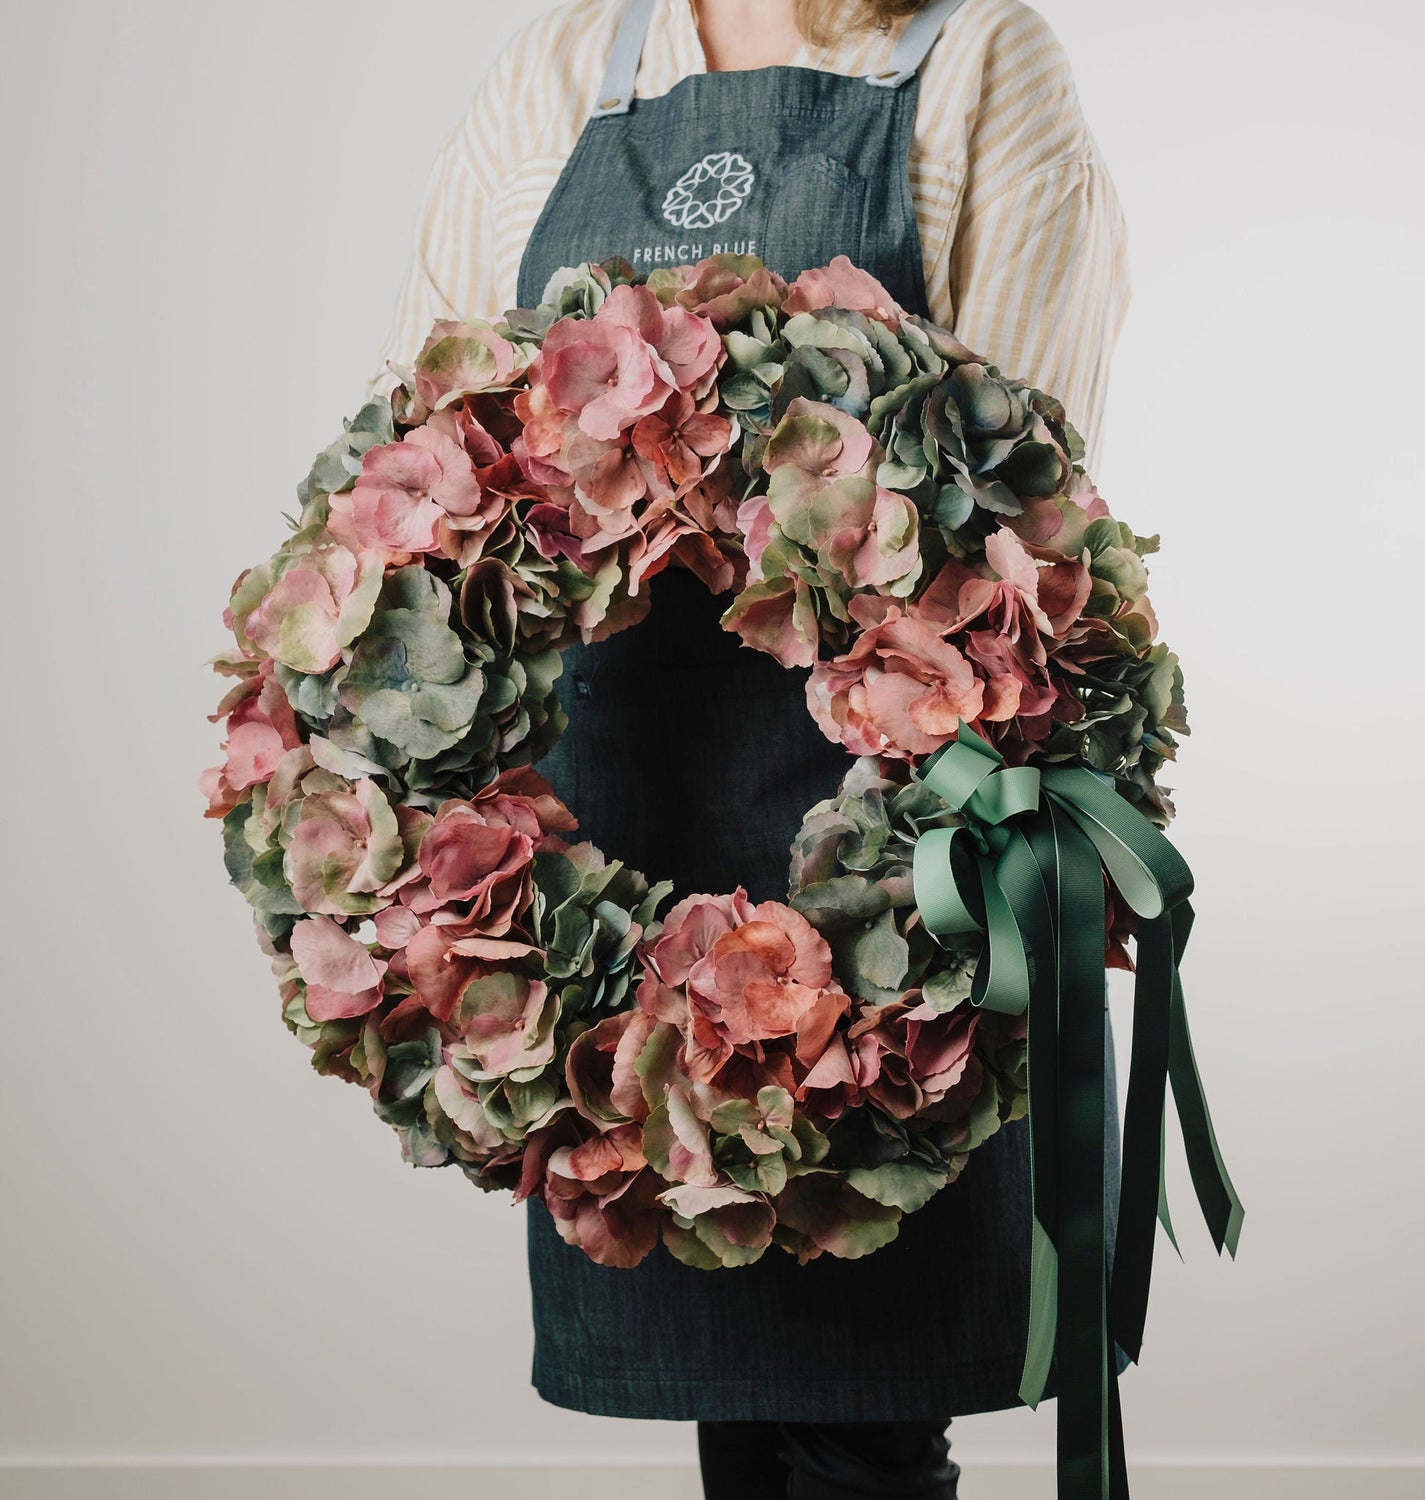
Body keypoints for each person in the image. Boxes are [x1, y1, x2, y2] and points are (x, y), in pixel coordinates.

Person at [365, 2, 1132, 1495]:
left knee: (862, 1418)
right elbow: (434, 454)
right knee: (744, 1395)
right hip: (621, 881)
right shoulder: (570, 66)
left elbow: (1036, 510)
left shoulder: (976, 56)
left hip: (888, 861)